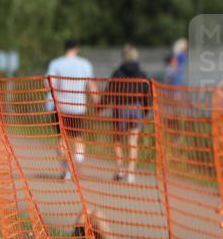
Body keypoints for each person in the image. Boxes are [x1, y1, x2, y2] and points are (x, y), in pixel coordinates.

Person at [46, 39, 96, 182]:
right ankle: (76, 167)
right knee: (78, 138)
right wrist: (97, 102)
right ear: (77, 48)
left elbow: (49, 85)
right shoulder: (85, 64)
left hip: (61, 107)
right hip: (78, 107)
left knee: (62, 138)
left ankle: (65, 167)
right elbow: (91, 85)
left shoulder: (55, 64)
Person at [103, 44, 151, 184]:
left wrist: (100, 106)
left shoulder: (117, 73)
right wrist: (146, 110)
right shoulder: (142, 74)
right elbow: (146, 94)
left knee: (118, 139)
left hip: (121, 108)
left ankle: (120, 169)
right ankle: (131, 172)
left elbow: (109, 91)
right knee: (133, 140)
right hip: (136, 108)